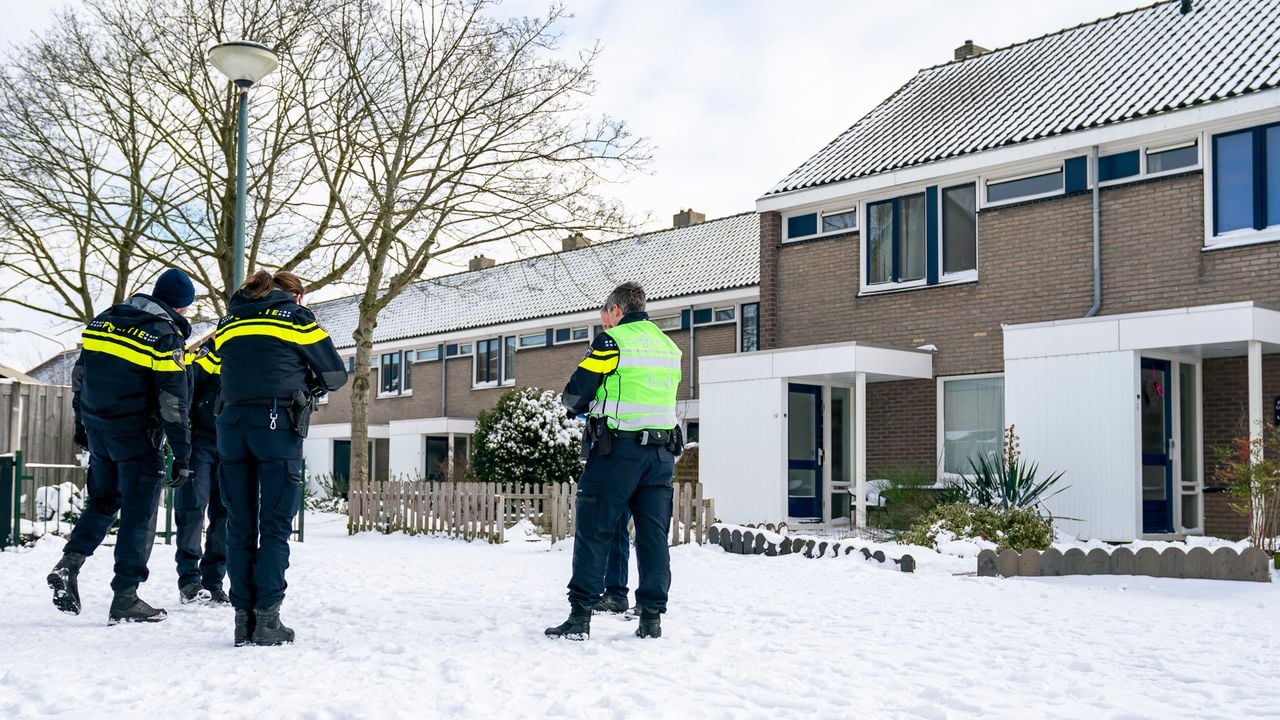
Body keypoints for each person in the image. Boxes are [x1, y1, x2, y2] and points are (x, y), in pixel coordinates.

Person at [47, 268, 196, 624]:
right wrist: (182, 453)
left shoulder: (104, 322)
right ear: (180, 306)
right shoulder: (163, 337)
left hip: (99, 429)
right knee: (139, 513)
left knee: (102, 501)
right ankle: (126, 597)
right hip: (137, 434)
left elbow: (80, 377)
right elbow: (173, 402)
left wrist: (82, 425)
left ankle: (70, 563)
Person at [215, 270, 346, 646]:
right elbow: (335, 375)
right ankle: (267, 620)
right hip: (275, 425)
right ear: (295, 295)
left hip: (230, 424)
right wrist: (307, 384)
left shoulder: (228, 322)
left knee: (239, 526)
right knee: (274, 526)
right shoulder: (297, 319)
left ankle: (243, 621)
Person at [545, 282, 683, 640]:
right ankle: (651, 618)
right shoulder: (669, 346)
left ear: (617, 310)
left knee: (595, 530)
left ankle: (580, 617)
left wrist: (581, 407)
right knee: (654, 537)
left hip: (618, 453)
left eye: (605, 313)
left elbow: (576, 393)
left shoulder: (613, 342)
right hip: (662, 455)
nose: (604, 321)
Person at [173, 334, 229, 605]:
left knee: (225, 514)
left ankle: (214, 582)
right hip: (203, 440)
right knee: (192, 507)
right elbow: (191, 381)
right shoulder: (219, 343)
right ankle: (189, 581)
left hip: (236, 443)